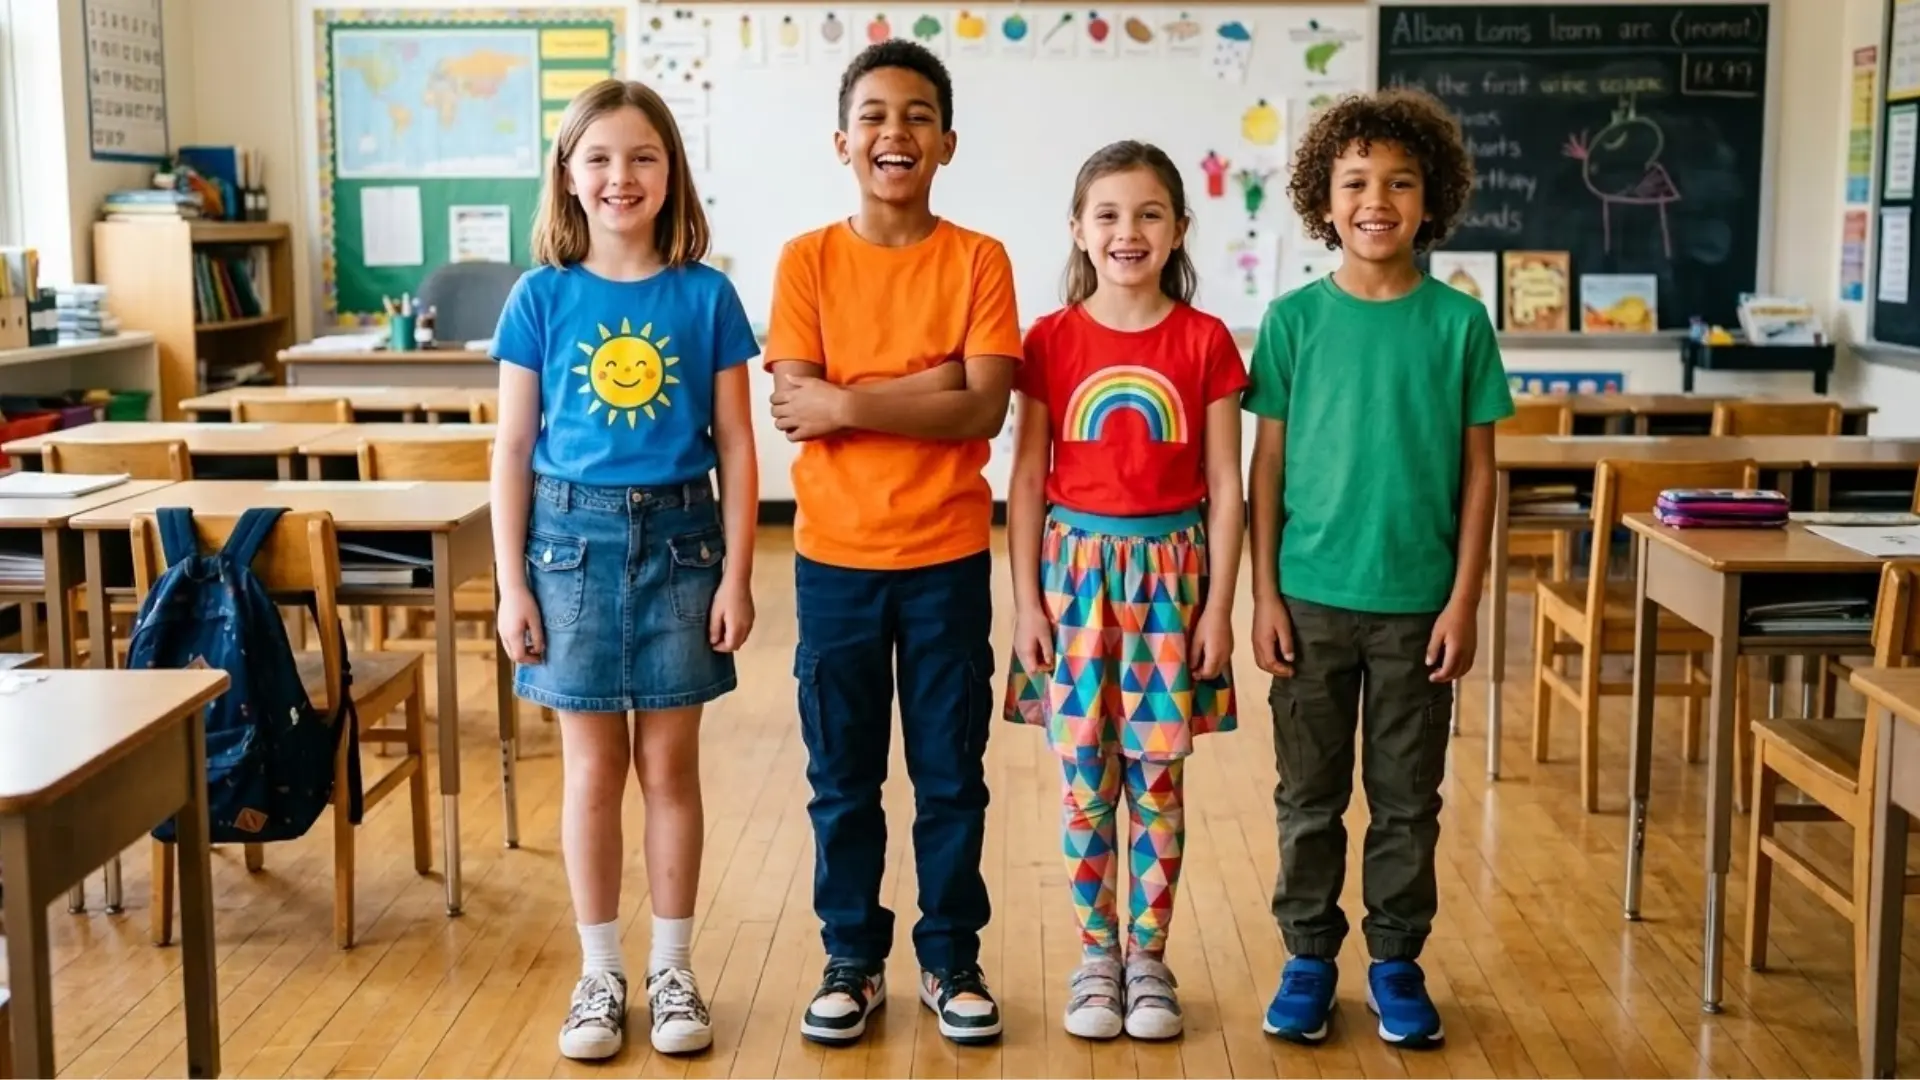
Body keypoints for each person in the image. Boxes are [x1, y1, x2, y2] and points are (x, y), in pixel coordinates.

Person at [489, 78, 760, 1061]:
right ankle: (599, 971)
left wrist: (735, 573)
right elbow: (513, 448)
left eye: (642, 157)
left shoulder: (707, 294)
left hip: (685, 543)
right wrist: (514, 583)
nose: (621, 176)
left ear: (671, 173)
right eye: (598, 157)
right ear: (568, 174)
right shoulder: (540, 297)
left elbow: (735, 441)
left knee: (670, 769)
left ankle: (673, 968)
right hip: (568, 546)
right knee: (594, 772)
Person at [763, 38, 1021, 1048]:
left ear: (947, 142)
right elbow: (795, 404)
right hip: (832, 563)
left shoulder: (978, 258)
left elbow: (985, 407)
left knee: (953, 776)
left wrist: (851, 397)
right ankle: (852, 959)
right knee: (844, 779)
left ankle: (953, 958)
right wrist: (934, 378)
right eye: (873, 115)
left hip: (948, 558)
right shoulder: (806, 260)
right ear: (841, 140)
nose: (894, 133)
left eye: (917, 115)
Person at [1243, 89, 1511, 1049]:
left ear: (1431, 200)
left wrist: (1465, 599)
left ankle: (1396, 961)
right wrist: (1262, 593)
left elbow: (1482, 473)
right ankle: (1309, 957)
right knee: (1308, 798)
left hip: (1417, 610)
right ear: (1325, 198)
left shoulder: (1458, 326)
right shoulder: (1292, 322)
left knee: (1407, 801)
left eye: (1400, 182)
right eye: (1355, 181)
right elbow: (1264, 467)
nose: (1377, 200)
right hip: (1310, 602)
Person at [1004, 140, 1246, 1042]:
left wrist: (1221, 606)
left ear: (1180, 227)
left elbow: (1228, 486)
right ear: (1077, 228)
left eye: (1149, 214)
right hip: (1073, 586)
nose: (1127, 231)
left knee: (1157, 783)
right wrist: (1027, 603)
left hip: (1172, 588)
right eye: (1106, 214)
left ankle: (1149, 958)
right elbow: (1027, 479)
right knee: (1083, 786)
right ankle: (1094, 958)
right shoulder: (1050, 340)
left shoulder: (1206, 340)